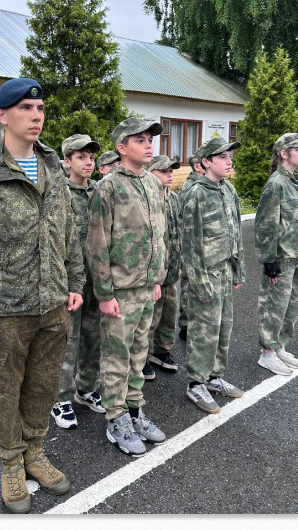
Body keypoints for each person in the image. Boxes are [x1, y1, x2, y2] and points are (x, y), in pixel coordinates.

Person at [0, 77, 84, 513]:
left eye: (40, 108)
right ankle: (10, 462)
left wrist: (75, 282)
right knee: (5, 390)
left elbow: (67, 228)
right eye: (26, 108)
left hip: (51, 303)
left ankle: (35, 451)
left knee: (43, 386)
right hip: (4, 310)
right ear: (3, 115)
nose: (36, 116)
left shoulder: (53, 166)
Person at [86, 117, 168, 456]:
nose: (148, 144)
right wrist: (104, 294)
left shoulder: (152, 183)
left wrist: (158, 278)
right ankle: (115, 418)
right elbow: (96, 244)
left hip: (147, 287)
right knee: (117, 358)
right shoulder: (109, 187)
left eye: (150, 139)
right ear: (121, 148)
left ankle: (135, 410)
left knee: (138, 353)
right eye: (139, 140)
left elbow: (159, 235)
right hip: (120, 291)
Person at [181, 136, 246, 413]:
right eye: (222, 157)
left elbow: (236, 232)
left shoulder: (229, 191)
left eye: (230, 156)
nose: (229, 161)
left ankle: (214, 376)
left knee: (222, 328)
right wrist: (198, 282)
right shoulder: (195, 194)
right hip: (205, 274)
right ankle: (196, 383)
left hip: (225, 270)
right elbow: (189, 244)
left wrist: (239, 269)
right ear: (206, 162)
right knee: (202, 331)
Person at [50, 134, 104, 430]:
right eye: (81, 157)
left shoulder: (98, 191)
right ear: (67, 161)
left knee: (93, 336)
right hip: (70, 282)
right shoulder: (59, 194)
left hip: (97, 280)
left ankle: (86, 388)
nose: (88, 162)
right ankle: (61, 398)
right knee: (67, 340)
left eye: (91, 157)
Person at [255, 133, 298, 375]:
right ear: (284, 154)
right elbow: (265, 225)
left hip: (296, 256)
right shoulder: (276, 184)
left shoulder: (296, 181)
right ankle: (267, 353)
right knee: (274, 306)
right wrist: (269, 260)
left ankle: (279, 345)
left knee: (291, 306)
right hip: (280, 259)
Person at [143, 154, 183, 380]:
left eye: (171, 171)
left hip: (171, 269)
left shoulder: (174, 199)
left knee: (169, 314)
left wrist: (179, 264)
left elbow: (178, 234)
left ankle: (162, 350)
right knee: (150, 317)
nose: (169, 175)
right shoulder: (149, 199)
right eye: (164, 171)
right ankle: (143, 357)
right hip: (155, 271)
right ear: (150, 172)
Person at [177, 147, 206, 342]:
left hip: (202, 250)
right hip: (190, 249)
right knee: (188, 289)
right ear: (198, 166)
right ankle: (186, 325)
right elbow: (184, 225)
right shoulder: (190, 189)